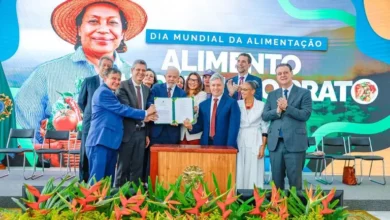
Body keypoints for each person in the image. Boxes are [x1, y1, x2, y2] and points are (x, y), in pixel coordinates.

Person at [15, 0, 147, 143]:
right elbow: (25, 118)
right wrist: (47, 150)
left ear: (122, 32)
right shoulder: (47, 72)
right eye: (94, 21)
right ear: (79, 28)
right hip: (64, 161)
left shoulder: (135, 76)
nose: (103, 29)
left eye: (112, 22)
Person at [85, 67, 156, 184]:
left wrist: (145, 118)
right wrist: (145, 112)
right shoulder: (103, 92)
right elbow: (121, 109)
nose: (117, 82)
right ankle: (91, 203)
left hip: (110, 142)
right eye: (113, 78)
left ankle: (105, 202)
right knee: (96, 181)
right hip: (100, 142)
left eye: (119, 79)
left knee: (107, 181)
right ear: (105, 78)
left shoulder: (111, 93)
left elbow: (120, 114)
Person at [261, 63, 312, 190]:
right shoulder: (272, 94)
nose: (282, 75)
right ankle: (277, 208)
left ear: (291, 74)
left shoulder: (304, 93)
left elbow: (305, 115)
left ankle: (295, 208)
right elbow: (265, 115)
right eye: (279, 73)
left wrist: (287, 108)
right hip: (276, 144)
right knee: (276, 182)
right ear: (276, 76)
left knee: (295, 182)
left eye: (285, 72)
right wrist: (277, 111)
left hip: (295, 143)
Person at [77, 56, 113, 183]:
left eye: (109, 66)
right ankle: (83, 180)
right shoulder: (89, 81)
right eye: (104, 65)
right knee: (86, 153)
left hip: (105, 126)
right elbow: (81, 102)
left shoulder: (113, 84)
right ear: (99, 66)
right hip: (90, 123)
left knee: (101, 154)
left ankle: (100, 181)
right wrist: (90, 113)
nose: (106, 68)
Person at [115, 60, 151, 187]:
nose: (141, 73)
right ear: (132, 71)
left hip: (141, 134)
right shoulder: (122, 86)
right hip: (127, 133)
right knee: (123, 168)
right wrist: (144, 116)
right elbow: (126, 109)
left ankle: (135, 198)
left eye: (143, 70)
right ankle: (118, 196)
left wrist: (146, 134)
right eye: (138, 70)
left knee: (138, 167)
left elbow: (148, 111)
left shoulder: (147, 89)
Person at [183, 73, 240, 148]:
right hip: (205, 144)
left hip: (224, 146)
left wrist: (230, 148)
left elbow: (234, 128)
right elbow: (200, 125)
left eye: (218, 85)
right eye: (213, 85)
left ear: (223, 86)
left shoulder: (232, 103)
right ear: (210, 86)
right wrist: (190, 127)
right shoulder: (203, 105)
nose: (216, 88)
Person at [236, 81, 269, 190]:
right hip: (240, 138)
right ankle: (239, 195)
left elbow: (265, 127)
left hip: (256, 138)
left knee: (255, 168)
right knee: (239, 168)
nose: (242, 91)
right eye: (241, 89)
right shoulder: (237, 104)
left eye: (245, 89)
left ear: (253, 91)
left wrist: (263, 146)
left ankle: (255, 196)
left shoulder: (261, 105)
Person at [180, 72, 207, 145]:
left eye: (195, 80)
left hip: (195, 135)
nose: (192, 82)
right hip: (182, 134)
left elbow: (198, 109)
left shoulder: (202, 94)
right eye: (191, 79)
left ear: (199, 82)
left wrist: (193, 109)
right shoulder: (182, 94)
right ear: (187, 80)